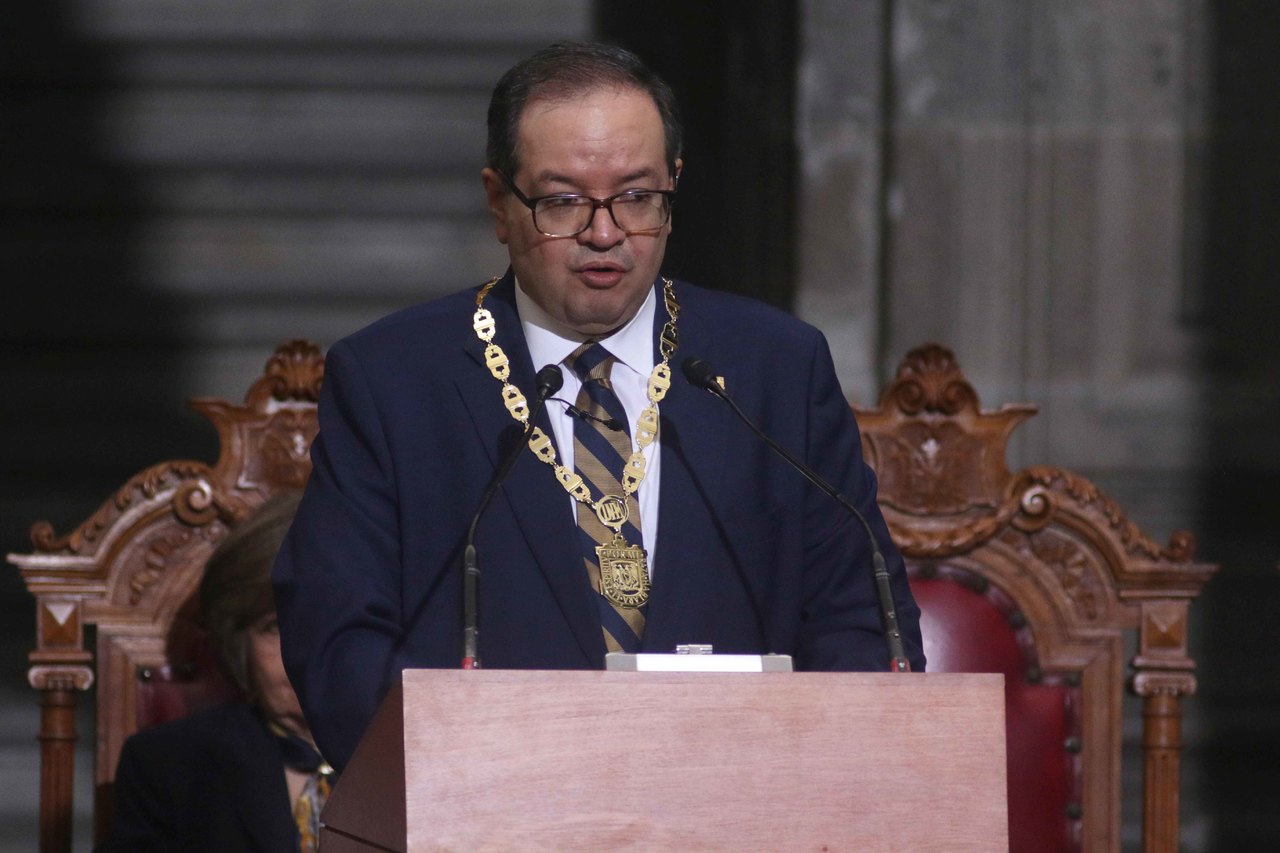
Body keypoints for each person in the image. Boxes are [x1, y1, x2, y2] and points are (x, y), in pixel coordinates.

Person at [273, 41, 925, 773]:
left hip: (747, 802)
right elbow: (337, 642)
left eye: (637, 196)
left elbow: (858, 620)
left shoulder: (771, 368)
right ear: (498, 201)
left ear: (673, 189)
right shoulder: (395, 380)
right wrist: (467, 784)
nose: (605, 233)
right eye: (564, 201)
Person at [102, 492, 333, 853]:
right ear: (239, 645)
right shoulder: (169, 766)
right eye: (275, 628)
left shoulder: (431, 759)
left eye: (328, 625)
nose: (303, 656)